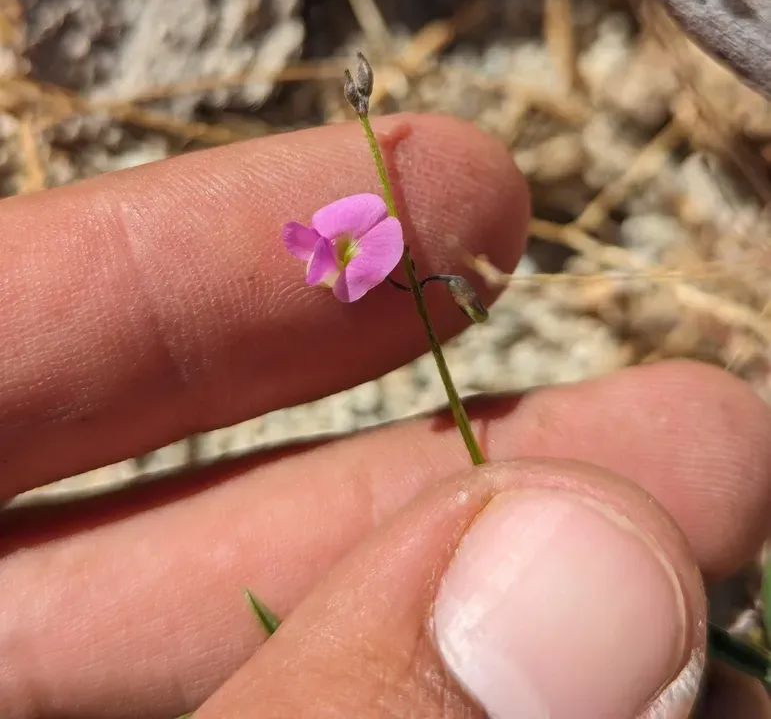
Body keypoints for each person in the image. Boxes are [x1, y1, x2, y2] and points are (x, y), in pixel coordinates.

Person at [1, 112, 769, 718]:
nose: (324, 263)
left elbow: (357, 249)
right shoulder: (361, 248)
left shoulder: (373, 249)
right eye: (327, 253)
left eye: (331, 254)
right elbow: (348, 252)